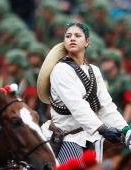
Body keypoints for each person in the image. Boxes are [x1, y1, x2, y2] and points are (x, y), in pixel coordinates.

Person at [37, 22, 130, 165]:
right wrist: (102, 129)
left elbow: (105, 106)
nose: (72, 38)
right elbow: (76, 105)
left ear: (87, 42)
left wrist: (125, 129)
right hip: (68, 137)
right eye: (68, 36)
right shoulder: (60, 69)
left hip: (92, 136)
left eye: (77, 35)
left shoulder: (93, 70)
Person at [100, 49, 131, 123]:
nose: (105, 64)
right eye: (103, 61)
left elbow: (129, 103)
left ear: (116, 63)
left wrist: (124, 124)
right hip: (102, 115)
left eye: (108, 61)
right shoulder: (100, 77)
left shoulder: (124, 79)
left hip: (118, 114)